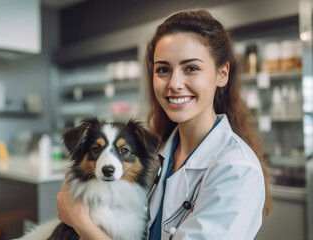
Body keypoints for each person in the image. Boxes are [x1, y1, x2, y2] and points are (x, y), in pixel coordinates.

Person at [56, 9, 273, 240]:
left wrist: (81, 223)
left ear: (222, 74)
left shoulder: (236, 169)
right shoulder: (157, 154)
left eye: (191, 68)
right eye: (163, 70)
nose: (175, 83)